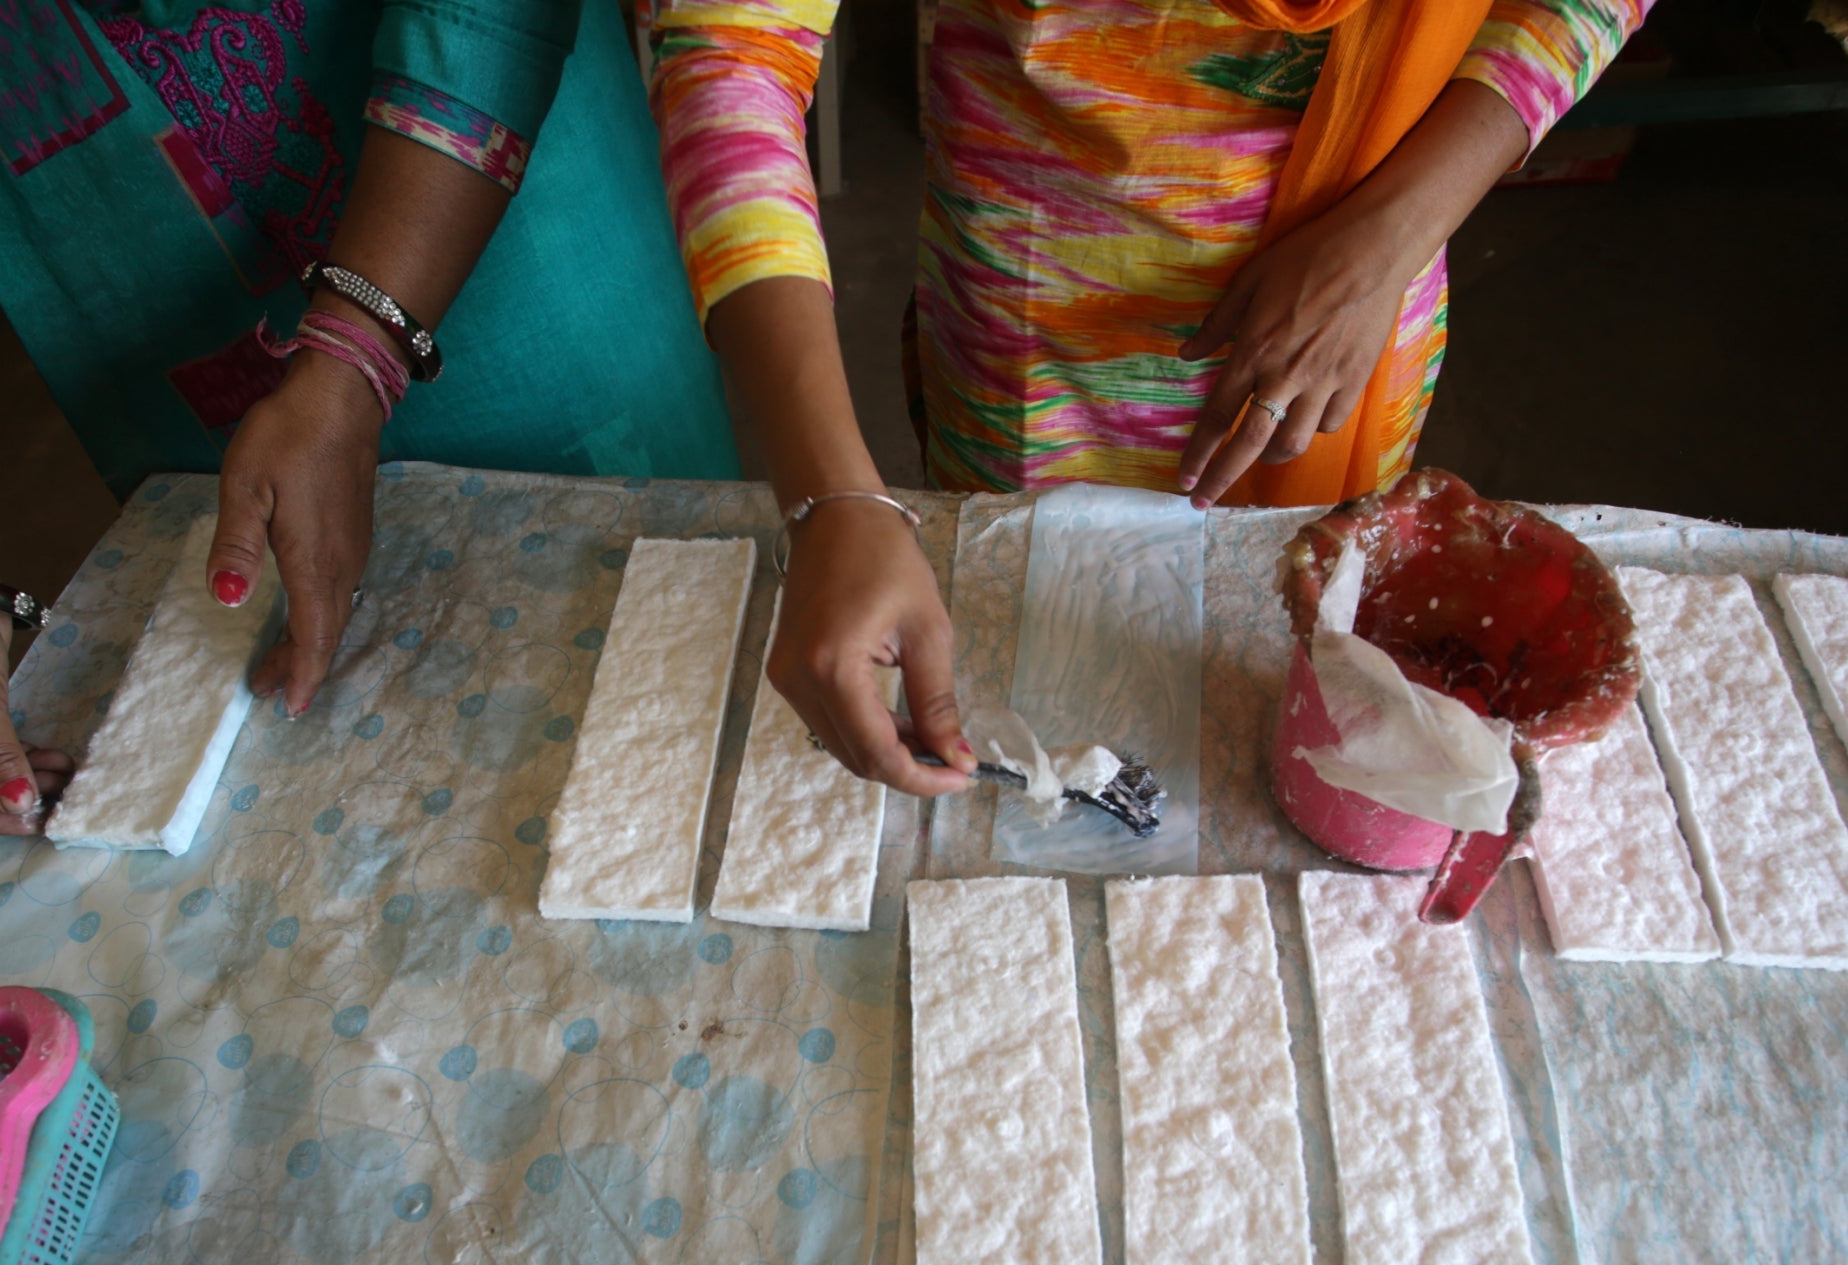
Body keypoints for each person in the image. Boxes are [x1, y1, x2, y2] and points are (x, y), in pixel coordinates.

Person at [0, 0, 739, 836]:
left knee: (672, 680)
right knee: (304, 759)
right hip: (154, 317)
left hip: (493, 211)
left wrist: (360, 348)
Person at [650, 0, 1647, 795]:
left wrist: (1391, 235)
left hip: (1349, 342)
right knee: (1025, 694)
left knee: (1314, 697)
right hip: (1034, 350)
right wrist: (831, 496)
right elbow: (728, 48)